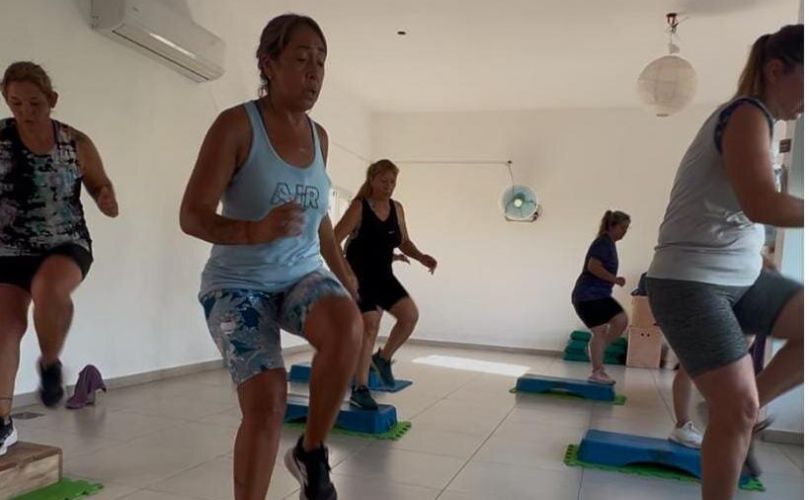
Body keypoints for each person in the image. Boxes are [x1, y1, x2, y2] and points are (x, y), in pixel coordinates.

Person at [179, 14, 361, 500]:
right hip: (236, 285)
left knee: (347, 326)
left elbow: (318, 217)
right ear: (269, 63)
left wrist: (342, 273)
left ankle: (311, 451)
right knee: (267, 400)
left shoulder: (320, 138)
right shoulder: (236, 126)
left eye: (321, 62)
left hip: (301, 275)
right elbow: (192, 216)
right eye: (301, 59)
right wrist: (253, 229)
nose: (314, 72)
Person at [646, 25, 803, 500]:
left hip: (742, 277)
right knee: (736, 411)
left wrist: (757, 257)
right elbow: (763, 203)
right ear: (777, 70)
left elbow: (734, 212)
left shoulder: (764, 125)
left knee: (740, 407)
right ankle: (737, 411)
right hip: (688, 281)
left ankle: (739, 409)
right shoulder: (747, 114)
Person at [0, 62, 118, 456]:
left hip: (65, 243)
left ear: (51, 101)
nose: (25, 112)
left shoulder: (75, 143)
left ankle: (50, 364)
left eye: (34, 103)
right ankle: (2, 424)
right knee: (4, 330)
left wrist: (105, 198)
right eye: (15, 103)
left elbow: (101, 185)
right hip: (8, 247)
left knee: (48, 288)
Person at [334, 160, 437, 410]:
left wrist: (422, 257)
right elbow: (334, 240)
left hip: (383, 276)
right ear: (372, 180)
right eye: (384, 181)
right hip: (359, 276)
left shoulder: (397, 209)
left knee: (410, 316)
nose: (389, 186)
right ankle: (360, 388)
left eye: (392, 182)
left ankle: (382, 358)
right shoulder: (359, 207)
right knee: (370, 324)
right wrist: (347, 274)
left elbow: (403, 241)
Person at [571, 210, 631, 384]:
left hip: (597, 295)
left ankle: (597, 351)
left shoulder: (608, 243)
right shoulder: (603, 242)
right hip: (588, 295)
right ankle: (597, 371)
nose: (625, 232)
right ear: (612, 226)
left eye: (627, 229)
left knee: (620, 320)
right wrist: (615, 279)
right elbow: (593, 266)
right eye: (622, 228)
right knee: (601, 330)